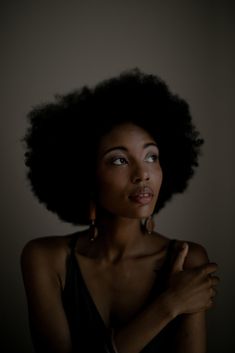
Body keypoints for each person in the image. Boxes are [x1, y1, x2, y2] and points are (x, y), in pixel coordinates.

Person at [21, 68, 219, 353]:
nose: (143, 174)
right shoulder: (44, 259)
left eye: (152, 156)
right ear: (85, 176)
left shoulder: (187, 259)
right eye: (118, 160)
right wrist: (169, 304)